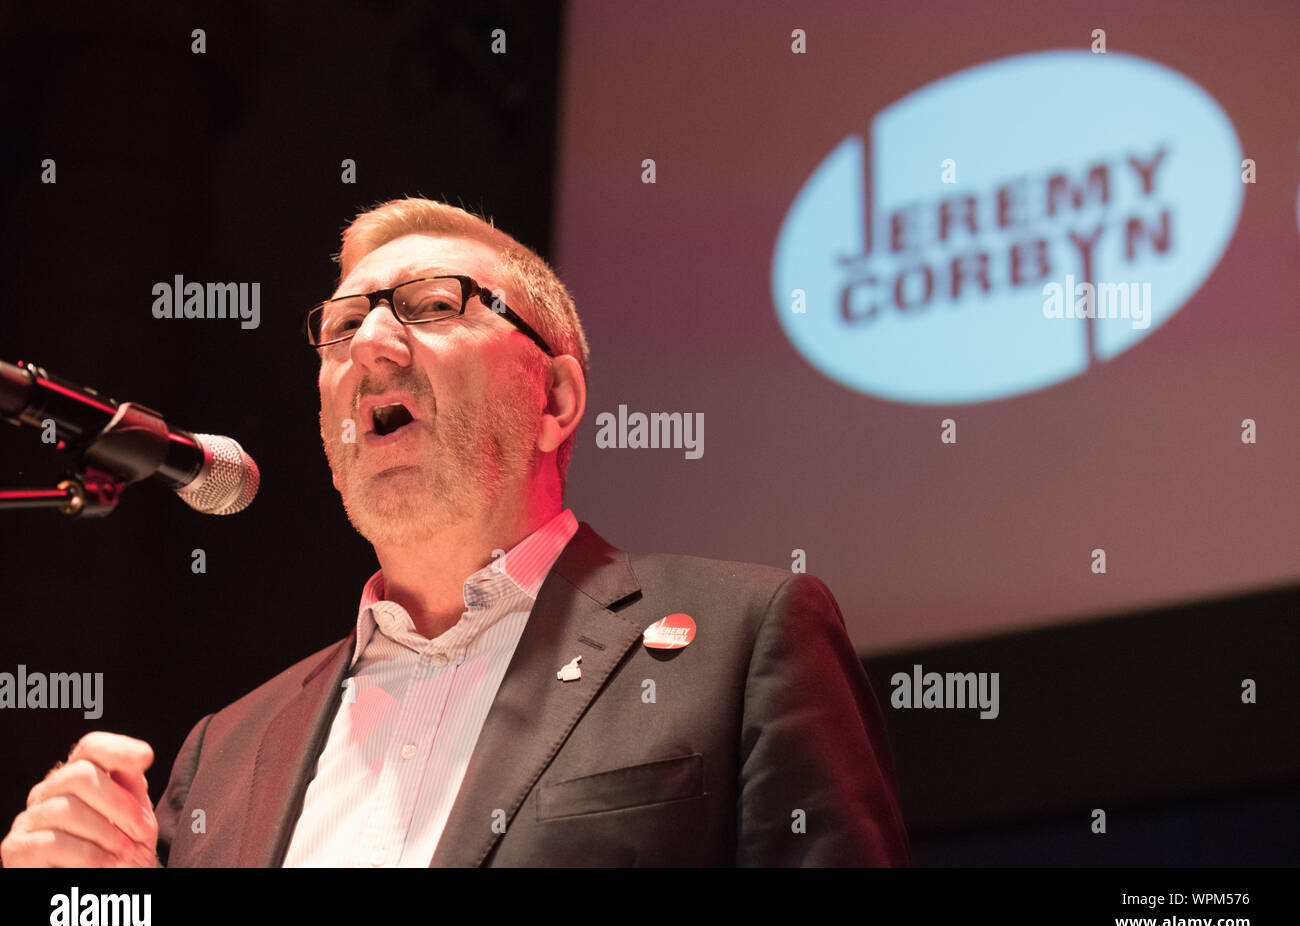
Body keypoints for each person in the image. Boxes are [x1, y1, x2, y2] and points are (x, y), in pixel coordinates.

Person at [1, 198, 909, 867]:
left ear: (554, 398)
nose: (371, 345)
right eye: (345, 323)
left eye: (434, 305)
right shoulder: (223, 752)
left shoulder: (740, 641)